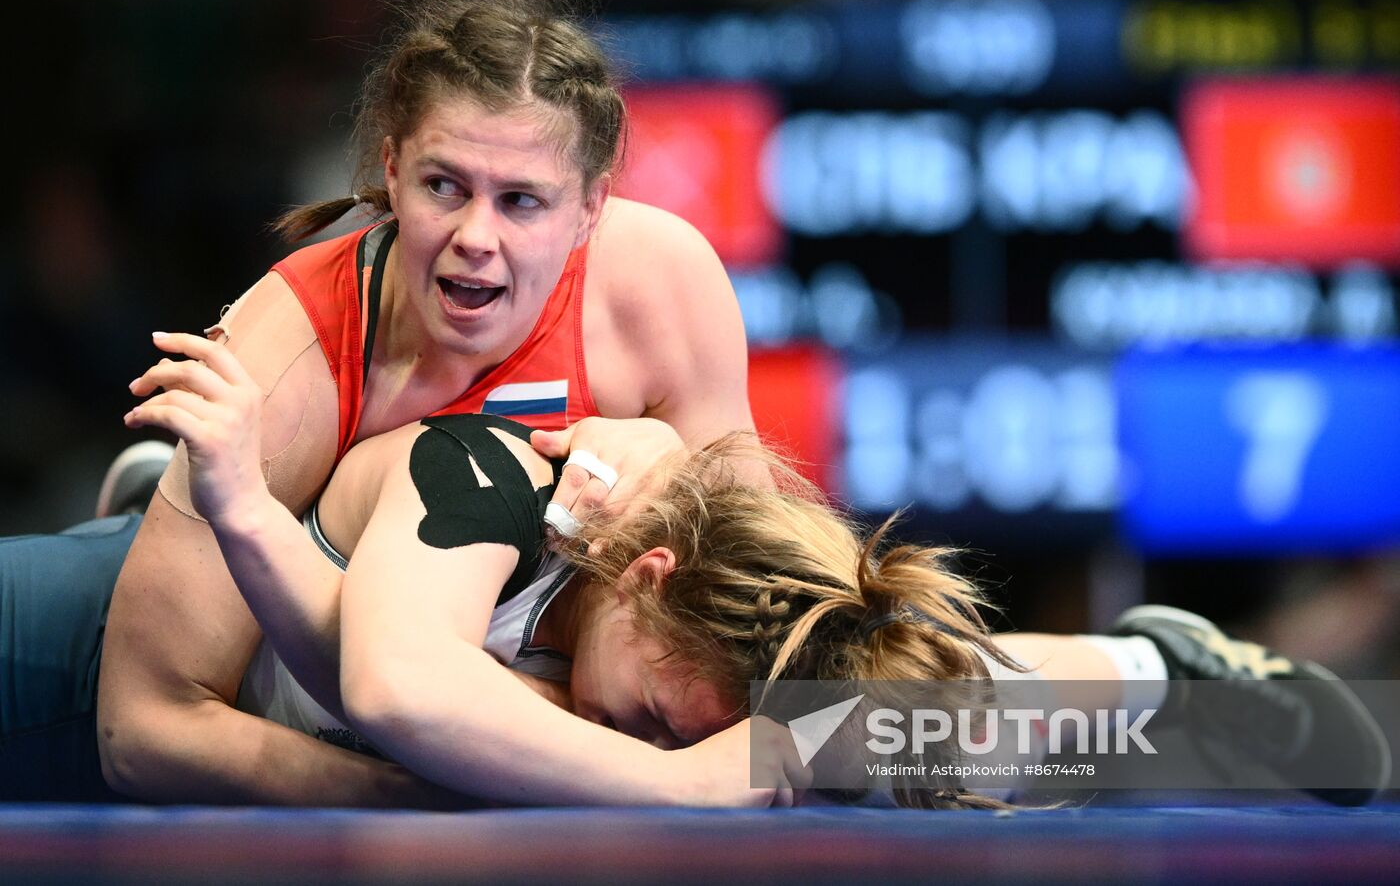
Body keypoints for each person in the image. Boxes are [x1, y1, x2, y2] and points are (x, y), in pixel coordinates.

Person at [105, 331, 1388, 808]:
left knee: (864, 721)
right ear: (649, 570)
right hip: (106, 622)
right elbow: (386, 686)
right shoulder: (495, 486)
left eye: (679, 735)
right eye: (667, 714)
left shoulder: (658, 647)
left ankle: (1160, 674)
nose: (664, 740)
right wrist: (689, 788)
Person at [78, 0, 764, 806]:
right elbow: (141, 732)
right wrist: (440, 785)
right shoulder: (295, 352)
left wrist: (667, 455)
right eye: (446, 186)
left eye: (522, 201)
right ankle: (156, 510)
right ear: (391, 171)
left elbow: (758, 630)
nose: (477, 235)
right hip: (96, 648)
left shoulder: (659, 290)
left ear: (591, 208)